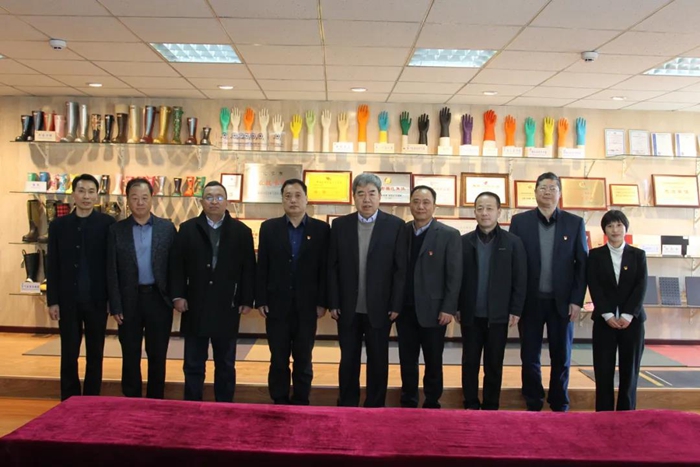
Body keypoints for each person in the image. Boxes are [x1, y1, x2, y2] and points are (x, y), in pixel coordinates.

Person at [169, 181, 255, 402]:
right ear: (201, 201)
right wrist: (178, 295)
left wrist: (246, 299)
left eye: (219, 197)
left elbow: (248, 269)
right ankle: (192, 405)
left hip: (227, 304)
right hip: (195, 303)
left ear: (227, 201)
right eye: (209, 197)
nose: (214, 201)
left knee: (225, 362)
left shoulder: (241, 231)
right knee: (193, 362)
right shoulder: (187, 229)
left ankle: (224, 407)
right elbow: (177, 266)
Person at [509, 172, 588, 412]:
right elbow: (513, 264)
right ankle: (533, 400)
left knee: (561, 355)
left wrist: (577, 300)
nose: (547, 192)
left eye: (552, 188)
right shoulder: (519, 222)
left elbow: (581, 265)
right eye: (543, 187)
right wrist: (514, 302)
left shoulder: (575, 223)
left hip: (562, 303)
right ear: (535, 192)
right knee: (529, 355)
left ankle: (559, 400)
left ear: (560, 193)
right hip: (530, 301)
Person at [328, 173, 407, 407]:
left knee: (378, 360)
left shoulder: (395, 226)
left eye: (372, 193)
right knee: (348, 359)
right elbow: (332, 267)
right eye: (361, 194)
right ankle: (348, 403)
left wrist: (396, 304)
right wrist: (333, 301)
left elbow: (400, 269)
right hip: (347, 307)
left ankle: (375, 405)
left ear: (380, 196)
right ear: (354, 197)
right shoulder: (340, 225)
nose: (366, 199)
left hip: (381, 307)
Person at [256, 179, 330, 405]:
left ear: (307, 199)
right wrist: (261, 298)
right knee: (278, 357)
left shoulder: (321, 229)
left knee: (303, 357)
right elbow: (262, 266)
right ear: (282, 200)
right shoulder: (269, 228)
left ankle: (301, 399)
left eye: (298, 195)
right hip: (276, 304)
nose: (293, 200)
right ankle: (279, 399)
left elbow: (325, 268)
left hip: (307, 306)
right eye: (288, 196)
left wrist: (322, 302)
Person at [46, 173, 116, 401]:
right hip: (68, 300)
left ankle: (91, 399)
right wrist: (52, 300)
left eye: (91, 192)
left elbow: (112, 265)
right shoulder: (59, 225)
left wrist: (112, 300)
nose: (86, 196)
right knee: (69, 352)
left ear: (97, 195)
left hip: (97, 299)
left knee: (95, 353)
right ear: (73, 194)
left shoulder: (107, 224)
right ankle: (69, 399)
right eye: (82, 191)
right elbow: (52, 264)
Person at [107, 177, 176, 399]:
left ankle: (156, 399)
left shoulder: (167, 228)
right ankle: (131, 399)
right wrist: (115, 304)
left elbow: (175, 267)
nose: (139, 202)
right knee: (130, 353)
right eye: (134, 198)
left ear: (152, 199)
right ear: (127, 200)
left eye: (144, 198)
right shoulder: (116, 230)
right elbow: (111, 270)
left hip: (158, 299)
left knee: (158, 353)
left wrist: (175, 297)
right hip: (129, 300)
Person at [458, 191, 527, 410]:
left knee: (494, 364)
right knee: (469, 362)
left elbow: (520, 279)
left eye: (489, 208)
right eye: (480, 208)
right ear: (474, 212)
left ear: (499, 212)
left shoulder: (513, 242)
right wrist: (456, 307)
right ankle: (470, 403)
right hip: (470, 314)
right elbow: (456, 278)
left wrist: (516, 309)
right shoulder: (463, 242)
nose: (484, 213)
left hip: (498, 315)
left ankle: (491, 406)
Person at [397, 185, 462, 409]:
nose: (420, 206)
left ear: (434, 206)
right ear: (410, 205)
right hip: (405, 308)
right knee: (407, 359)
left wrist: (449, 308)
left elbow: (454, 275)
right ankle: (408, 399)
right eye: (416, 201)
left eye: (426, 202)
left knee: (433, 360)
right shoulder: (402, 231)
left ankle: (432, 401)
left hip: (435, 311)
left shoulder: (449, 235)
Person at [588, 210, 647, 411]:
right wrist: (607, 314)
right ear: (604, 230)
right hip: (605, 321)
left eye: (619, 225)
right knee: (603, 369)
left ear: (625, 228)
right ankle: (603, 413)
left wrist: (628, 314)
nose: (615, 230)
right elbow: (594, 286)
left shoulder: (638, 255)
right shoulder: (595, 255)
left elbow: (641, 286)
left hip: (633, 322)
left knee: (630, 370)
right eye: (610, 226)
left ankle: (627, 413)